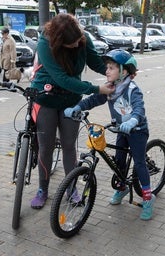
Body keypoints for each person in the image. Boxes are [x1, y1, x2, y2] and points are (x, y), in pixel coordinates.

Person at [29, 13, 115, 209]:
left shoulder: (82, 39)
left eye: (78, 41)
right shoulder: (45, 44)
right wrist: (96, 89)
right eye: (72, 43)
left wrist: (117, 72)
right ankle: (43, 189)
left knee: (69, 145)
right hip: (47, 97)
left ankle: (71, 188)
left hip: (71, 99)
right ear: (60, 41)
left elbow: (96, 62)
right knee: (46, 146)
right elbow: (61, 78)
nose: (77, 45)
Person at [64, 49, 155, 220]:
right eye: (107, 67)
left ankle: (148, 198)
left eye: (111, 67)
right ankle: (122, 188)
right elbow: (93, 99)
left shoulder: (132, 89)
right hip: (121, 129)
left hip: (137, 131)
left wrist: (134, 121)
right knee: (119, 161)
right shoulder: (110, 89)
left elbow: (139, 109)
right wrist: (78, 107)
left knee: (139, 162)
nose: (107, 71)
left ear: (124, 71)